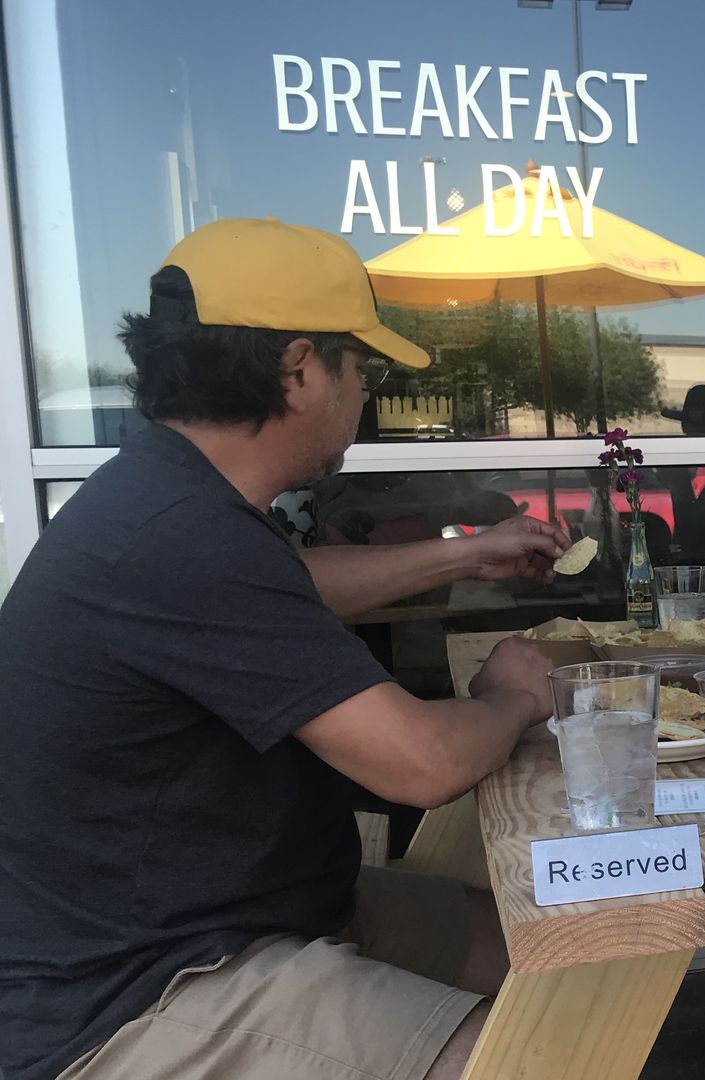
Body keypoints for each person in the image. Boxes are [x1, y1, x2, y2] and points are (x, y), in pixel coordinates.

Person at [0, 218, 574, 1080]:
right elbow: (421, 765)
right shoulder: (184, 535)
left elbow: (287, 585)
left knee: (562, 954)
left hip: (251, 907)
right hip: (137, 992)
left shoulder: (163, 491)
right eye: (364, 370)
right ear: (300, 370)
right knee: (541, 1059)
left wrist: (465, 554)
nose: (366, 396)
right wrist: (515, 695)